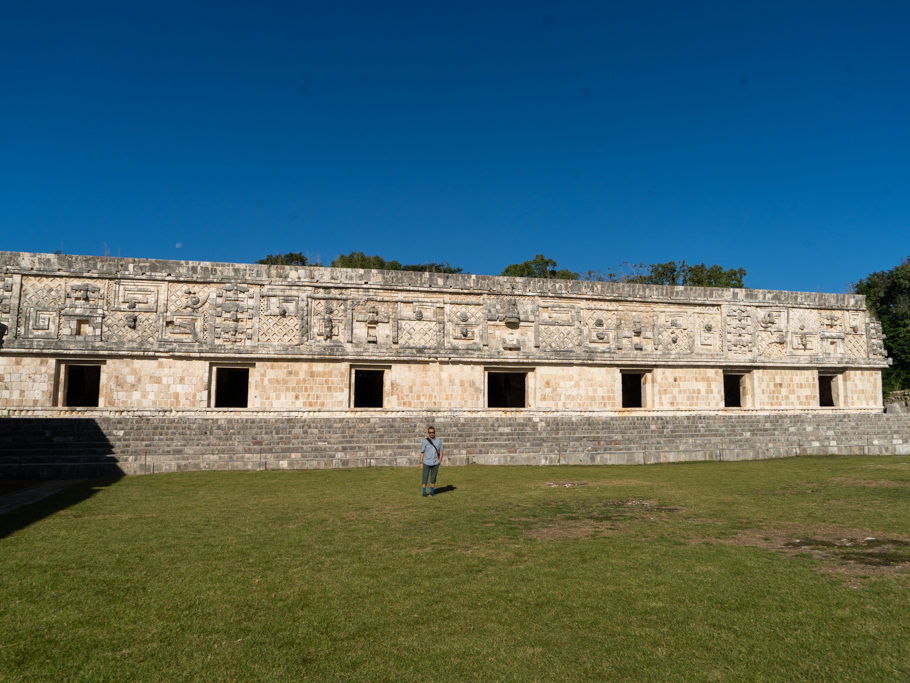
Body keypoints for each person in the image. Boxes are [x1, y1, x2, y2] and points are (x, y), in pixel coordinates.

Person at [419, 426, 443, 497]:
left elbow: (441, 451)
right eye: (430, 432)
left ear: (434, 432)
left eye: (433, 432)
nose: (431, 434)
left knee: (433, 478)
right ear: (428, 433)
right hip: (426, 462)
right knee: (425, 478)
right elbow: (422, 453)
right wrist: (421, 462)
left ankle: (432, 491)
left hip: (435, 462)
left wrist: (440, 461)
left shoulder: (438, 441)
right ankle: (424, 492)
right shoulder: (425, 441)